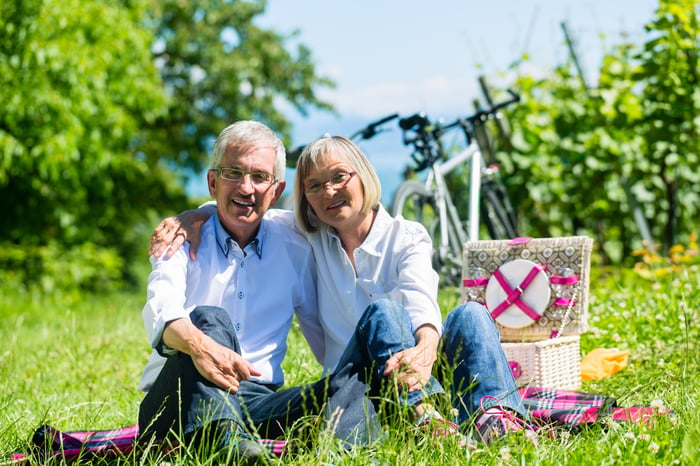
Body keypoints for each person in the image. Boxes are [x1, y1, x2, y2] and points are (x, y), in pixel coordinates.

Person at [151, 135, 535, 446]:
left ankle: (496, 420)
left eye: (339, 178)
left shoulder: (386, 237)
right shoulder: (299, 238)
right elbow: (239, 209)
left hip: (398, 375)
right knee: (381, 314)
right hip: (219, 389)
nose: (328, 191)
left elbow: (420, 298)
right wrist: (192, 217)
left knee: (469, 313)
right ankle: (423, 420)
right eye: (315, 186)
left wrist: (426, 348)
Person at [138, 122, 383, 465]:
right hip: (181, 396)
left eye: (259, 177)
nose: (246, 187)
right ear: (213, 182)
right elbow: (162, 314)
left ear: (277, 189)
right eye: (233, 173)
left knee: (358, 374)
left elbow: (329, 342)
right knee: (209, 318)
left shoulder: (295, 242)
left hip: (258, 403)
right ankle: (229, 446)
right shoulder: (180, 239)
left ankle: (341, 452)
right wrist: (202, 346)